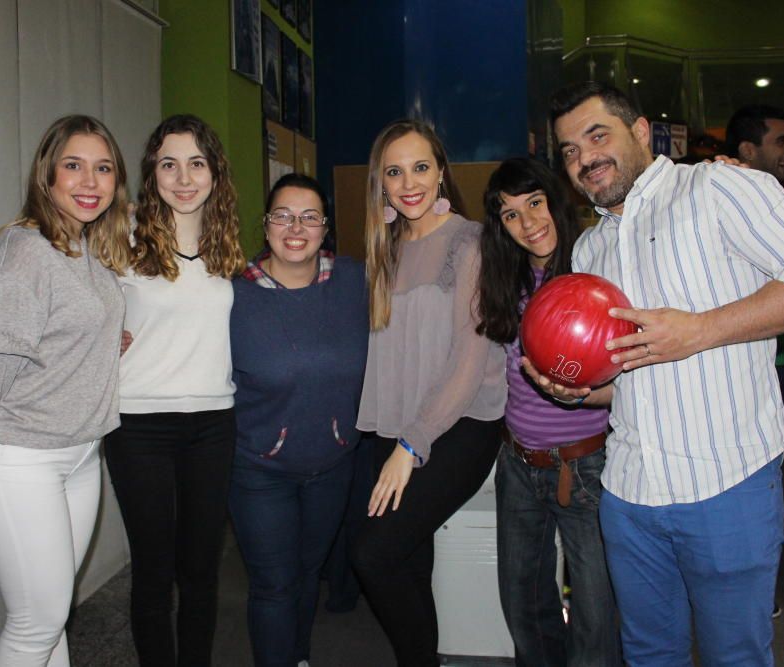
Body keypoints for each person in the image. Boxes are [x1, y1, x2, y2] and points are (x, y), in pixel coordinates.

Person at [526, 82, 784, 666]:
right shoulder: (589, 254)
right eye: (569, 150)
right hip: (628, 492)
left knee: (735, 656)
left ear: (642, 132)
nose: (584, 157)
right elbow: (626, 379)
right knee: (649, 655)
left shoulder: (717, 187)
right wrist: (577, 390)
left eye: (597, 136)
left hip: (727, 484)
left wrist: (700, 329)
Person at [0, 114, 130, 667]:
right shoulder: (28, 253)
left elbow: (57, 332)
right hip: (21, 459)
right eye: (74, 166)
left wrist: (104, 339)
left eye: (103, 168)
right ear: (47, 176)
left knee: (51, 615)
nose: (90, 182)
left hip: (78, 455)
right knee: (34, 623)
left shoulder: (83, 248)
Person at [352, 118, 507, 666]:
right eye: (394, 171)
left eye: (421, 167)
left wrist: (410, 445)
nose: (409, 182)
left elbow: (469, 363)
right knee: (409, 562)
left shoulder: (471, 242)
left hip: (461, 426)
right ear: (381, 184)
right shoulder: (385, 248)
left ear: (441, 172)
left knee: (373, 556)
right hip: (393, 423)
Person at [105, 114, 245, 666]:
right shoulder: (122, 235)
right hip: (138, 425)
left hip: (213, 423)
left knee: (201, 570)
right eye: (169, 164)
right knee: (154, 570)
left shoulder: (228, 247)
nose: (183, 178)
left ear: (214, 172)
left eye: (196, 163)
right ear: (151, 173)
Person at [476, 157, 621, 667]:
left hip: (586, 466)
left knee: (597, 613)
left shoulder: (598, 272)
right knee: (522, 601)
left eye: (535, 203)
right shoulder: (507, 280)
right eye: (511, 214)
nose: (528, 222)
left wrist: (583, 392)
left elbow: (633, 365)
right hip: (517, 462)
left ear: (556, 201)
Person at [228, 173, 369, 667]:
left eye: (309, 217)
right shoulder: (232, 295)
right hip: (258, 471)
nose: (295, 227)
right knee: (273, 584)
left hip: (333, 465)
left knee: (309, 572)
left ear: (325, 227)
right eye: (282, 215)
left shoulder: (353, 280)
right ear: (265, 226)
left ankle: (299, 657)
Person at [725, 104, 784, 415]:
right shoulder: (713, 204)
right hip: (732, 367)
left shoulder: (778, 204)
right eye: (781, 141)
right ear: (748, 149)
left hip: (777, 360)